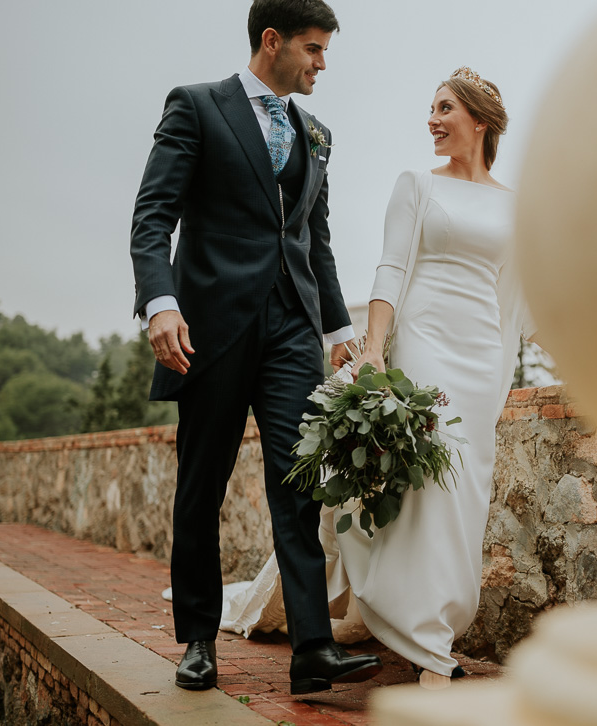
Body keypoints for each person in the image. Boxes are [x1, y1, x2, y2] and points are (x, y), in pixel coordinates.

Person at [220, 66, 531, 690]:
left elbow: (511, 298)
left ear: (481, 121)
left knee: (464, 493)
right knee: (424, 491)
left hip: (478, 353)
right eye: (431, 108)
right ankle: (427, 643)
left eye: (445, 108)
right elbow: (391, 270)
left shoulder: (514, 206)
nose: (432, 120)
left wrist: (498, 378)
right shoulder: (416, 183)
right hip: (424, 343)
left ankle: (434, 625)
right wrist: (374, 351)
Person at [129, 0, 382, 694]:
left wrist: (338, 330)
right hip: (206, 329)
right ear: (271, 41)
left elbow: (314, 241)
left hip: (291, 332)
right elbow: (153, 216)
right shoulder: (197, 106)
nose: (321, 64)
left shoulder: (315, 135)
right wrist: (160, 303)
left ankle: (311, 649)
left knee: (298, 485)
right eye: (313, 49)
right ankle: (199, 640)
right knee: (200, 486)